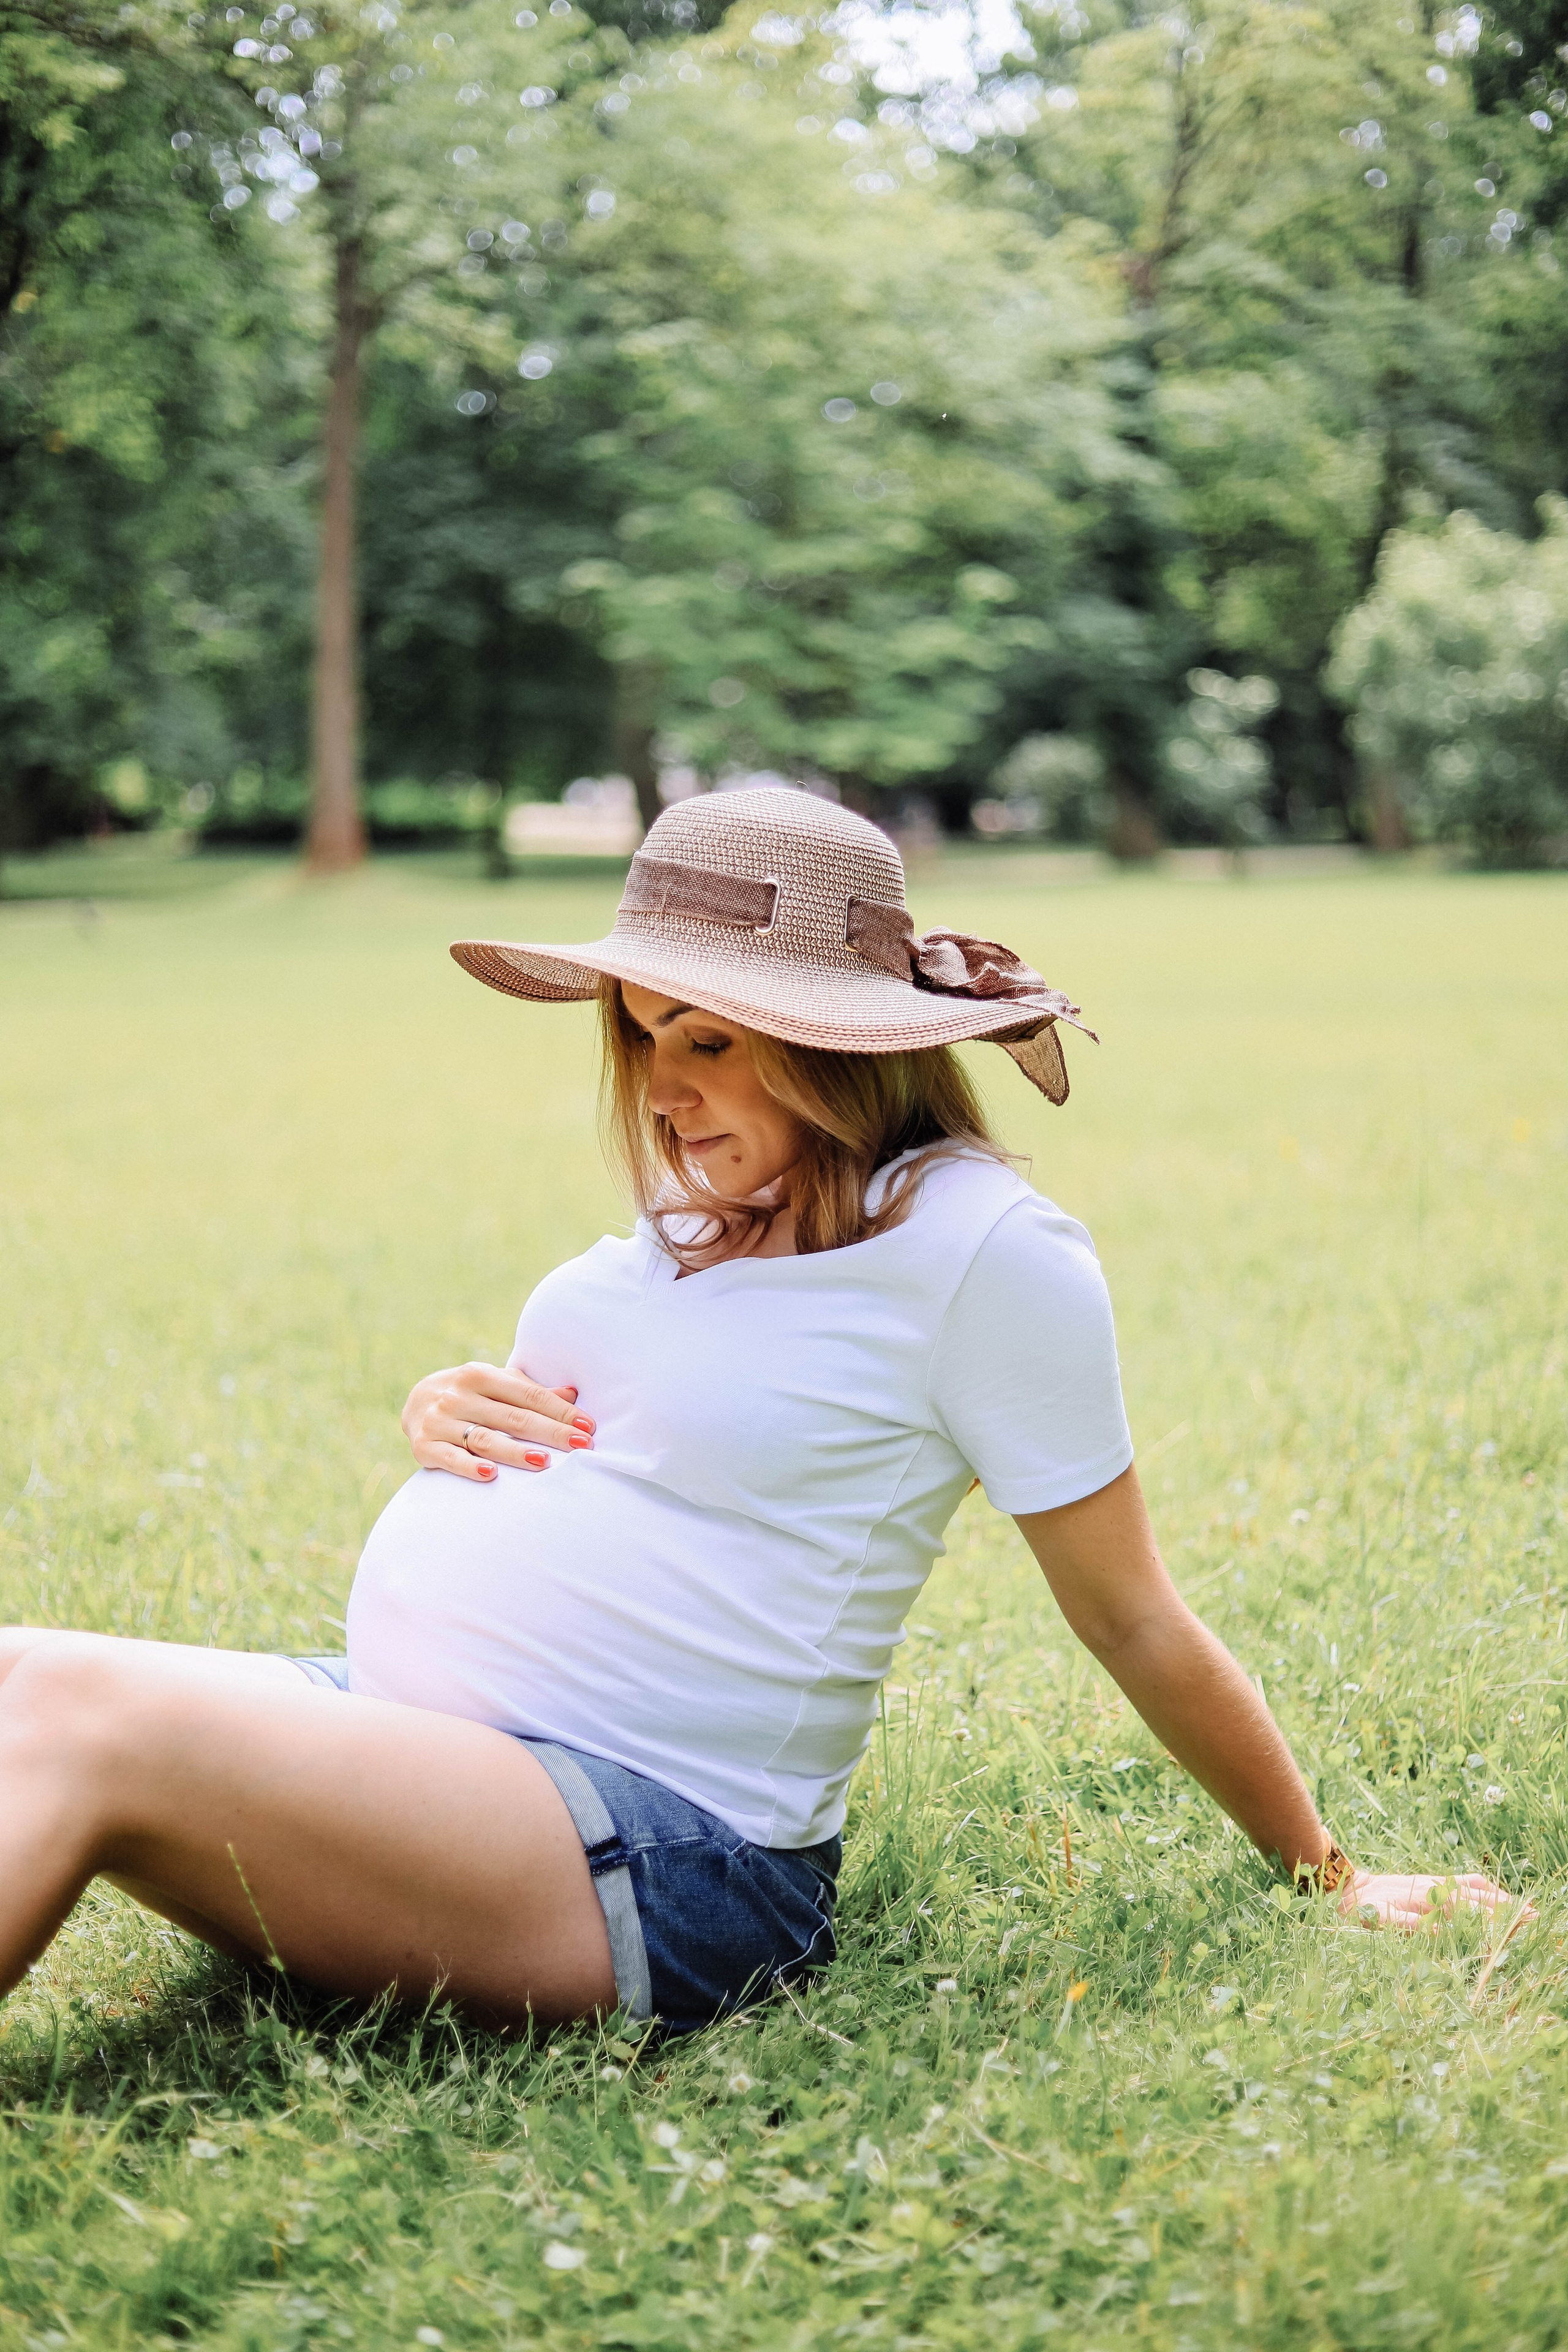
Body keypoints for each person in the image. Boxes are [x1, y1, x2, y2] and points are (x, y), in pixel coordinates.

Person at [0, 791, 1519, 2032]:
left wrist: (1322, 1869)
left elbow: (1130, 1616)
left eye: (710, 1038)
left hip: (659, 1859)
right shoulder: (717, 1203)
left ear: (841, 1040)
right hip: (443, 1738)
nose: (663, 1085)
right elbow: (649, 1435)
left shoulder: (986, 1256)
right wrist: (445, 1406)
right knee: (15, 1670)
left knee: (78, 1716)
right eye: (645, 1029)